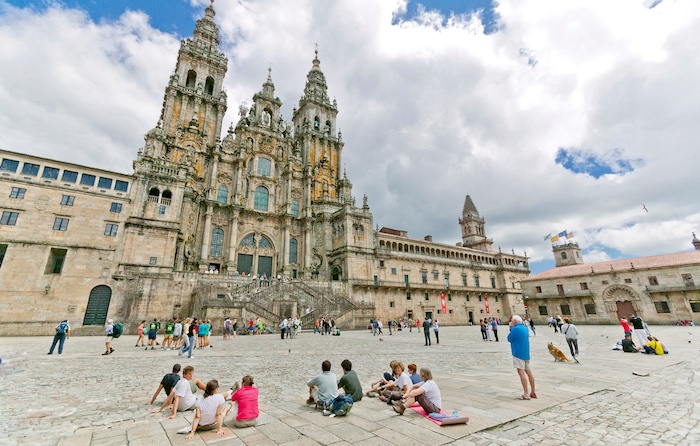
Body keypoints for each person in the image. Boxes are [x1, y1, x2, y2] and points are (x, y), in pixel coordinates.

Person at [507, 315, 536, 400]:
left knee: (521, 372)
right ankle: (533, 391)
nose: (511, 322)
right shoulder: (524, 328)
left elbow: (509, 338)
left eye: (512, 321)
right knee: (529, 372)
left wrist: (511, 328)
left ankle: (526, 394)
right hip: (526, 352)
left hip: (518, 353)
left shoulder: (515, 329)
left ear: (515, 321)